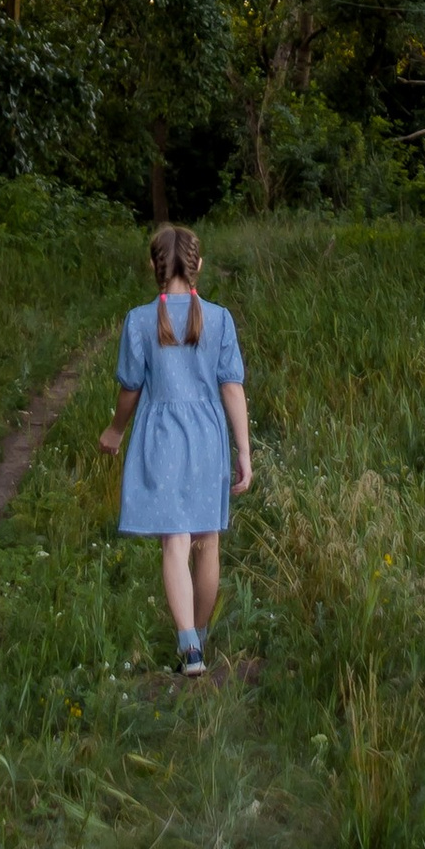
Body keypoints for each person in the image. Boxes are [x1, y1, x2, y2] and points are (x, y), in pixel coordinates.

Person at [99, 223, 252, 678]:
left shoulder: (140, 320)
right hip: (208, 438)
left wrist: (115, 429)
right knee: (208, 543)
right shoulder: (220, 318)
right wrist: (243, 449)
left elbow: (130, 389)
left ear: (154, 266)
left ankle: (189, 646)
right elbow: (232, 388)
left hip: (162, 438)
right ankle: (199, 640)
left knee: (175, 542)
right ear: (198, 264)